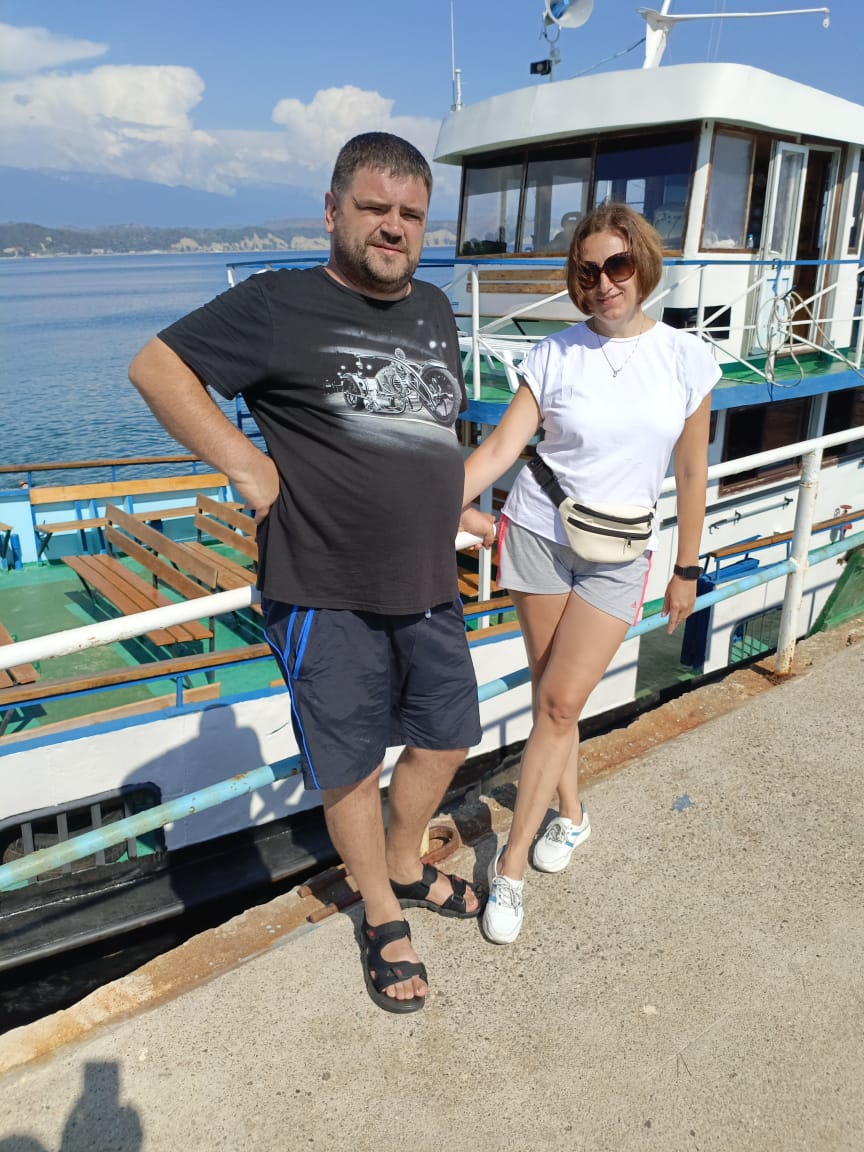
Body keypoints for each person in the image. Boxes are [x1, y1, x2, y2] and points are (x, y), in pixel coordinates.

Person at [129, 132, 495, 1013]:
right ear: (333, 212)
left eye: (412, 214)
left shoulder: (434, 307)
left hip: (428, 578)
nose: (394, 227)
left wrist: (449, 503)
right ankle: (381, 912)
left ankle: (403, 862)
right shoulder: (276, 303)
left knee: (449, 735)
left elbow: (430, 432)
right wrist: (246, 466)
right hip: (322, 588)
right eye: (374, 208)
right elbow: (157, 368)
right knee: (350, 763)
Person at [462, 202, 721, 945]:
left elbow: (692, 472)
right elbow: (498, 452)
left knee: (559, 703)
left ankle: (509, 869)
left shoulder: (686, 358)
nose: (605, 282)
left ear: (642, 265)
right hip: (537, 535)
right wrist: (427, 506)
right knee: (554, 701)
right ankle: (571, 815)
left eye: (618, 264)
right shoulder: (554, 353)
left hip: (620, 554)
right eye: (588, 270)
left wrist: (686, 567)